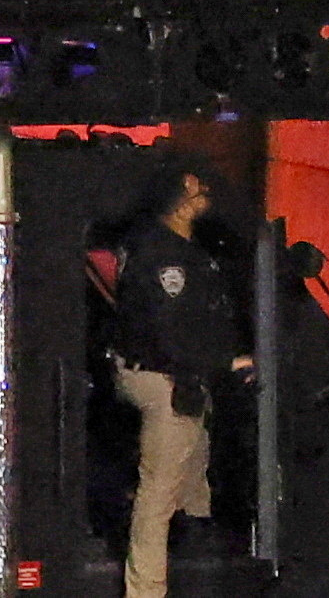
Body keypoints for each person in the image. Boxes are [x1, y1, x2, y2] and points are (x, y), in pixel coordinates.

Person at [108, 164, 249, 598]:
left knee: (191, 476)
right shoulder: (163, 255)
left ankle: (195, 552)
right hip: (165, 378)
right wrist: (225, 362)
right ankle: (145, 590)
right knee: (158, 496)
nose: (202, 192)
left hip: (183, 377)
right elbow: (169, 335)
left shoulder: (184, 249)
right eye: (192, 188)